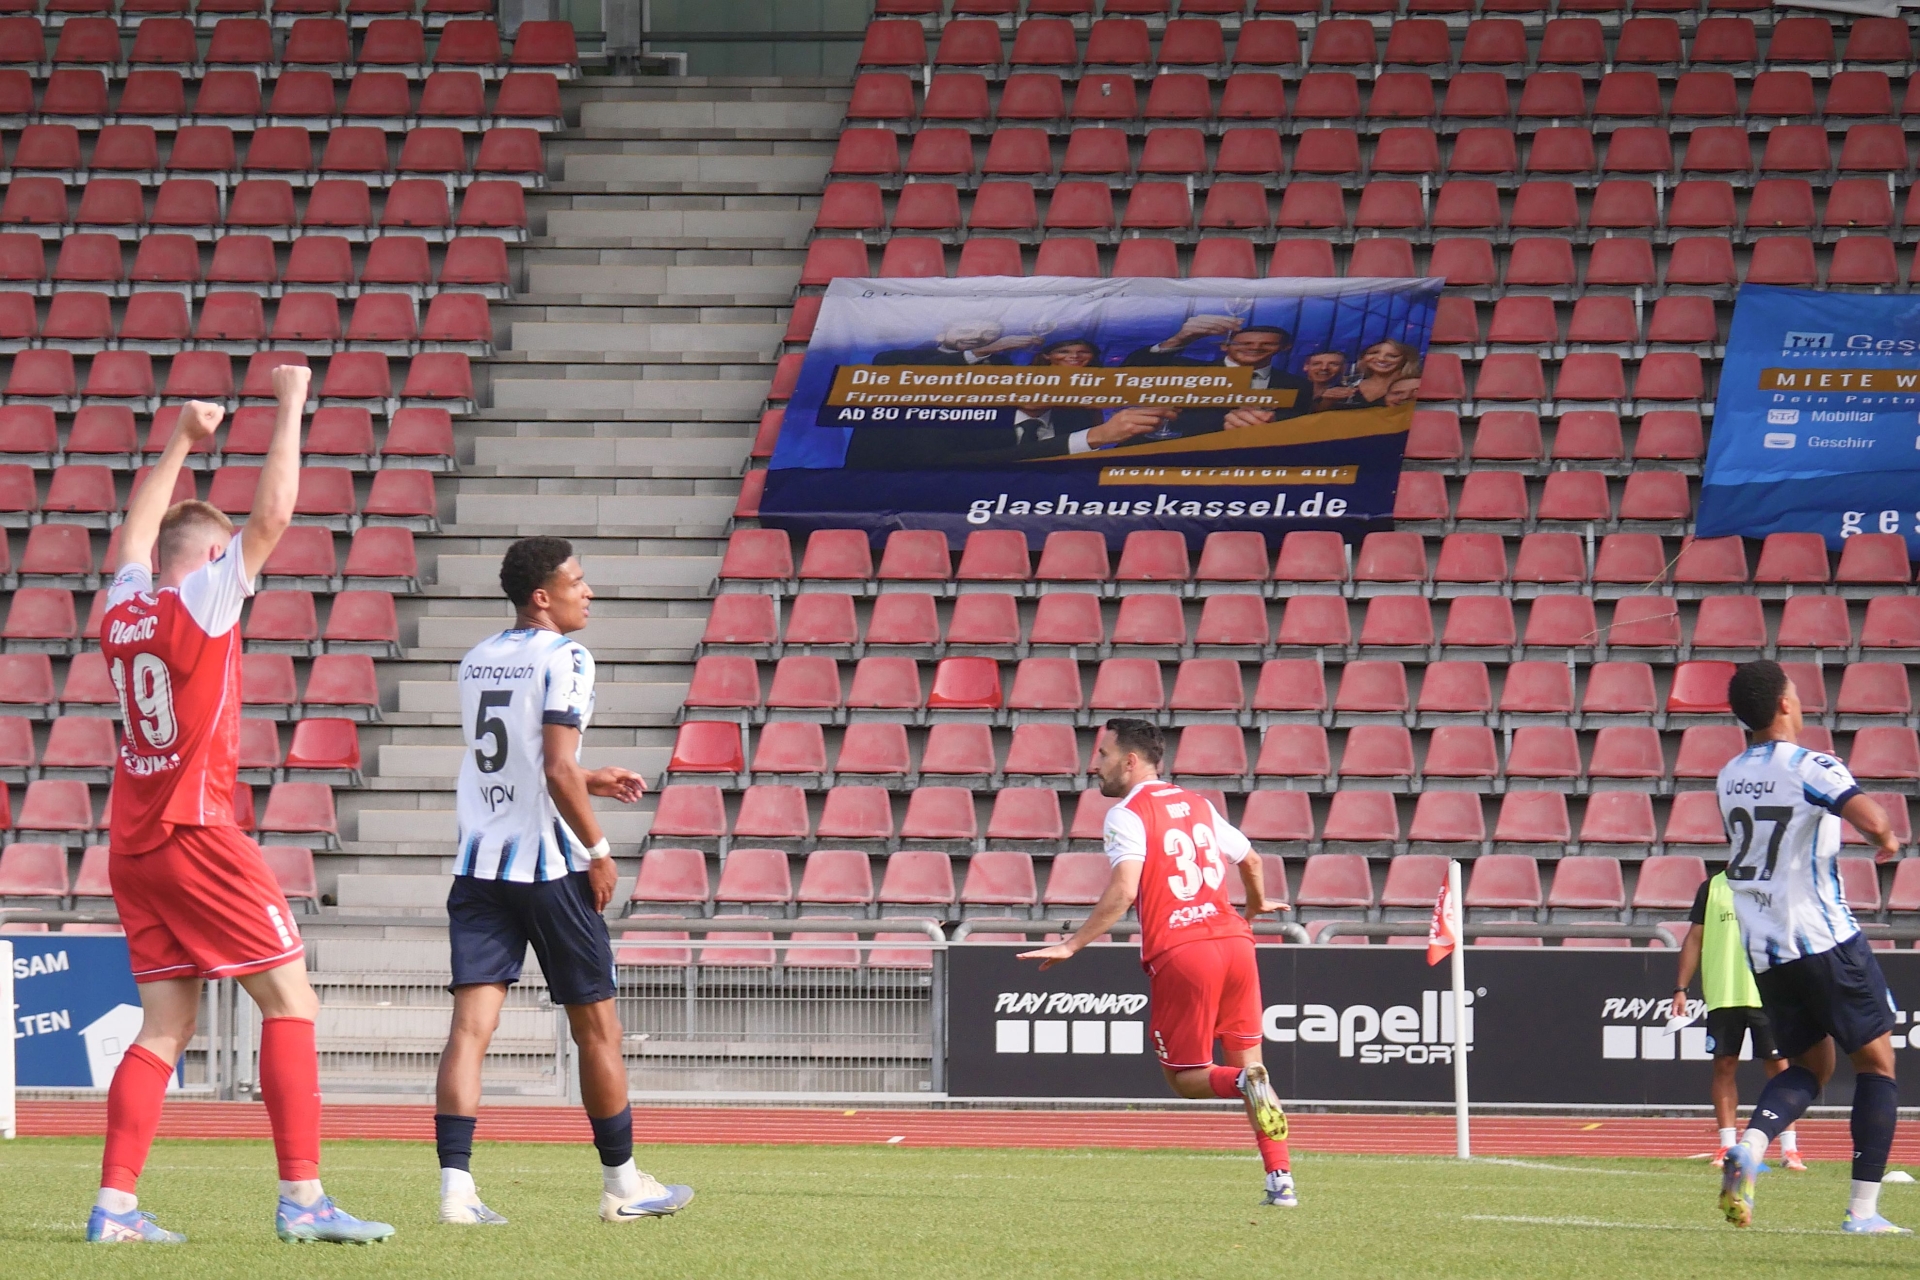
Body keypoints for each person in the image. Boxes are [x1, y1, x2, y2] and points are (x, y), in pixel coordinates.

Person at [89, 372, 394, 1246]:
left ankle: (116, 1209)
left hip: (133, 844)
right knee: (292, 1001)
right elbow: (272, 519)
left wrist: (181, 439)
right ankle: (304, 1198)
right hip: (196, 832)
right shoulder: (203, 600)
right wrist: (291, 402)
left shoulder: (122, 609)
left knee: (166, 1025)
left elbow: (134, 537)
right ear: (212, 558)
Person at [434, 537, 693, 1226]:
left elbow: (515, 761)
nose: (589, 591)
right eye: (578, 581)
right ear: (543, 596)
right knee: (597, 1029)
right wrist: (599, 849)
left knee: (469, 1031)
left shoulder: (477, 658)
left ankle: (456, 1192)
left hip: (479, 865)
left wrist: (590, 778)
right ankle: (623, 1186)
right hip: (548, 868)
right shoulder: (568, 657)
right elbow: (552, 768)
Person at [1017, 719, 1296, 1208]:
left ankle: (1241, 1083)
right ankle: (1281, 1181)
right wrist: (1255, 905)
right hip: (1236, 941)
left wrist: (1073, 944)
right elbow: (1252, 861)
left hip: (1184, 950)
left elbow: (1125, 889)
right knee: (1254, 1065)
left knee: (1188, 1078)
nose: (1096, 765)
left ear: (1130, 761)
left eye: (1103, 754)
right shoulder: (1198, 804)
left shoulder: (1127, 813)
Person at [1713, 659, 1906, 1234]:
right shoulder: (1810, 765)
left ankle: (1751, 1145)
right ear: (1784, 704)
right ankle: (1863, 1211)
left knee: (1811, 1067)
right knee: (1877, 1065)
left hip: (1766, 949)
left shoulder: (1728, 775)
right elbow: (1868, 815)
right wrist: (1886, 835)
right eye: (1795, 694)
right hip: (1822, 937)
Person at [1668, 870, 1805, 1172]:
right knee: (1724, 1065)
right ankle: (1727, 1145)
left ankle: (1789, 1149)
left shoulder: (1773, 883)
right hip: (1723, 993)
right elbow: (1695, 938)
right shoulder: (1712, 887)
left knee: (1780, 1068)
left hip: (1767, 992)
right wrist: (1681, 988)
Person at [1122, 316, 1317, 436]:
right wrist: (1179, 339)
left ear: (1285, 348)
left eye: (1267, 344)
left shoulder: (1297, 384)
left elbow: (1295, 423)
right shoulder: (1188, 370)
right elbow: (1132, 371)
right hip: (1182, 456)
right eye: (1244, 343)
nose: (1255, 347)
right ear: (1224, 346)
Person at [871, 320, 1042, 366]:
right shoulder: (896, 357)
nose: (977, 337)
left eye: (989, 333)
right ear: (940, 336)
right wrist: (980, 352)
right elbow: (920, 374)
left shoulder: (1000, 363)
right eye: (965, 331)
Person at [1323, 341, 1423, 411]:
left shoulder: (1415, 386)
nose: (1381, 359)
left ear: (1405, 359)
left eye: (1392, 356)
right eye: (1373, 353)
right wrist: (1326, 401)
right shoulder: (1347, 384)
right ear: (1364, 357)